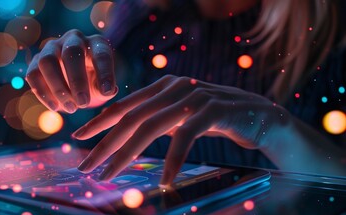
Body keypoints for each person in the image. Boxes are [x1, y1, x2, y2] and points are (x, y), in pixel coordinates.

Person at [26, 0, 346, 185]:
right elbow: (118, 84)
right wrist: (96, 87)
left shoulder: (332, 28)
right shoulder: (142, 12)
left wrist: (273, 128)